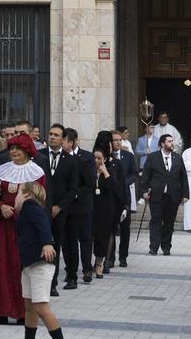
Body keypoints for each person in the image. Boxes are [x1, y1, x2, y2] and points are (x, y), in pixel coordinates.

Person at [0, 133, 46, 325]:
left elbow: (39, 200)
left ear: (27, 151)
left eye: (18, 148)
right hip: (3, 227)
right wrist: (0, 206)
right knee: (0, 267)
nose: (14, 152)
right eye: (12, 148)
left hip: (25, 228)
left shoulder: (37, 173)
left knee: (23, 269)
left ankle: (23, 313)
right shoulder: (0, 171)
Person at [13, 182, 64, 339]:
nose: (15, 197)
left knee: (41, 307)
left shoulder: (30, 205)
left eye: (18, 193)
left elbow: (42, 223)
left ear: (28, 195)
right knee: (29, 307)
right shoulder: (29, 210)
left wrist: (47, 243)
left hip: (39, 264)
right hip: (30, 264)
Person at [139, 133, 189, 256]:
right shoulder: (153, 157)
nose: (172, 143)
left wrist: (185, 194)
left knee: (169, 222)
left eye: (172, 141)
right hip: (156, 195)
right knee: (156, 221)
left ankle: (166, 247)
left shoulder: (178, 157)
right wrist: (144, 191)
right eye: (169, 141)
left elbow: (183, 177)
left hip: (173, 195)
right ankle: (154, 247)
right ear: (162, 144)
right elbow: (145, 175)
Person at [42, 124, 77, 295]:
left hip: (59, 212)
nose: (52, 137)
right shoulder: (39, 156)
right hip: (40, 208)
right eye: (51, 134)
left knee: (55, 246)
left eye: (56, 135)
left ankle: (52, 283)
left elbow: (73, 188)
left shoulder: (70, 160)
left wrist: (59, 206)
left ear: (63, 139)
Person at [62, 127, 95, 285]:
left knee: (85, 238)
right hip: (65, 207)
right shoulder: (60, 157)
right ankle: (70, 271)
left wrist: (74, 194)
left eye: (64, 140)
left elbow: (90, 183)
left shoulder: (86, 157)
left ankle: (87, 269)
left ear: (72, 142)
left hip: (82, 205)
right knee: (68, 241)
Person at [89, 135, 125, 279]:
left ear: (104, 159)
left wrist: (105, 172)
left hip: (105, 209)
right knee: (89, 237)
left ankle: (100, 264)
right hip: (91, 207)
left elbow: (116, 189)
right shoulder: (89, 170)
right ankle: (87, 265)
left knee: (102, 237)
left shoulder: (110, 170)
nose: (96, 160)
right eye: (94, 158)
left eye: (99, 158)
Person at [108, 129, 138, 269]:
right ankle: (110, 257)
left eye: (120, 140)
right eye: (115, 140)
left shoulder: (128, 156)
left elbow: (134, 173)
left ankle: (123, 257)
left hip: (125, 197)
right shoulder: (106, 157)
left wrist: (124, 182)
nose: (118, 142)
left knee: (125, 229)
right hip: (110, 198)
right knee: (111, 229)